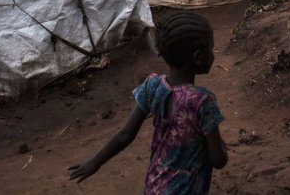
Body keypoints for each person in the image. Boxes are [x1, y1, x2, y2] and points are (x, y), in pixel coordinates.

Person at [68, 13, 228, 194]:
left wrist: (94, 162)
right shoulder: (202, 102)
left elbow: (125, 134)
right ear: (198, 56)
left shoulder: (152, 86)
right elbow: (219, 160)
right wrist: (220, 143)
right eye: (211, 49)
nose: (213, 53)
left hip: (155, 186)